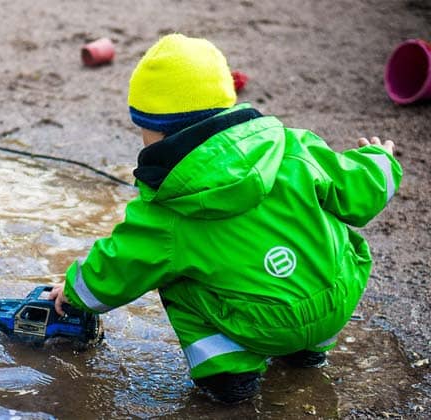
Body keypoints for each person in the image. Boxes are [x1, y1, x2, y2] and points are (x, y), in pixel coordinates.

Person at [47, 33, 402, 404]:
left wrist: (73, 294)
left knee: (170, 274)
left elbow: (119, 265)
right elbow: (359, 189)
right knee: (324, 233)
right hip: (336, 300)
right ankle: (307, 353)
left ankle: (229, 375)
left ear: (154, 129)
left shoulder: (167, 207)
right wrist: (381, 160)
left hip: (261, 325)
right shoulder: (293, 146)